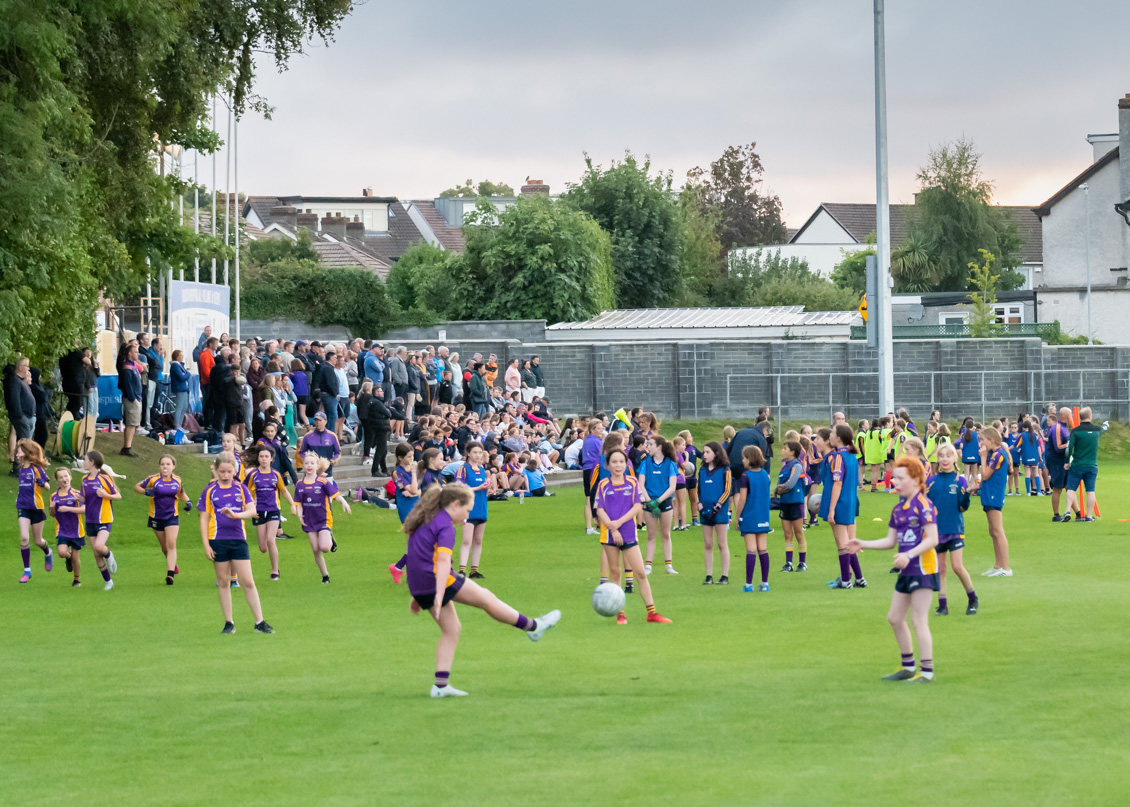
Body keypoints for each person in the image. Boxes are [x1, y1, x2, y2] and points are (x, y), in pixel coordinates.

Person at [404, 483, 560, 698]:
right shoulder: (445, 526)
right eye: (467, 510)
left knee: (452, 629)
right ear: (455, 504)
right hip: (436, 580)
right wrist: (438, 594)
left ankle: (440, 686)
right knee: (487, 599)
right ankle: (534, 627)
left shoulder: (426, 520)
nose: (467, 517)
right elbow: (441, 562)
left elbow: (414, 557)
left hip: (422, 583)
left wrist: (417, 595)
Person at [847, 456, 938, 683]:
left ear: (916, 480)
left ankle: (926, 672)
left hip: (923, 569)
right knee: (895, 618)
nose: (895, 482)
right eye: (894, 478)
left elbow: (933, 539)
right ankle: (908, 667)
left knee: (919, 620)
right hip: (907, 569)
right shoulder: (898, 509)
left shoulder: (924, 505)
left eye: (900, 478)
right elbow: (890, 541)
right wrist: (863, 543)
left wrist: (909, 554)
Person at [594, 448, 672, 625]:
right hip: (609, 535)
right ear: (608, 465)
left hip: (628, 533)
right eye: (614, 462)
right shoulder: (603, 485)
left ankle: (652, 613)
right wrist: (613, 529)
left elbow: (637, 506)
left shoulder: (632, 482)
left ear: (626, 463)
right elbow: (600, 509)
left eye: (621, 461)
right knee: (615, 573)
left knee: (640, 574)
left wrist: (619, 523)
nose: (618, 465)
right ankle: (620, 614)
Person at [197, 452, 273, 634]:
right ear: (216, 471)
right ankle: (229, 623)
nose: (225, 475)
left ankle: (259, 622)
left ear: (235, 471)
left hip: (238, 540)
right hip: (217, 540)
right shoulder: (210, 491)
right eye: (222, 471)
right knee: (223, 582)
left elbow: (252, 511)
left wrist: (236, 515)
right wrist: (206, 545)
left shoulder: (241, 489)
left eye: (229, 471)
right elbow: (203, 518)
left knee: (247, 580)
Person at [926, 443, 978, 616]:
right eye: (941, 456)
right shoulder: (931, 481)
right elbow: (925, 506)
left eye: (948, 455)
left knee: (957, 566)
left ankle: (972, 598)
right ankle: (942, 605)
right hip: (936, 532)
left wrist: (966, 495)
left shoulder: (960, 481)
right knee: (940, 568)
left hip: (954, 530)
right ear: (938, 459)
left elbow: (962, 508)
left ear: (955, 458)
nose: (944, 459)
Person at [293, 453, 351, 584]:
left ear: (317, 465)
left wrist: (343, 502)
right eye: (306, 463)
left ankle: (329, 536)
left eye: (312, 463)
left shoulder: (323, 481)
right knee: (315, 549)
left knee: (324, 547)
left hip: (323, 519)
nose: (309, 465)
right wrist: (299, 515)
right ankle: (325, 576)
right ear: (303, 465)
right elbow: (298, 503)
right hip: (309, 520)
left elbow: (335, 494)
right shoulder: (300, 484)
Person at [135, 454, 191, 585]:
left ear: (173, 466)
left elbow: (181, 493)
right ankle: (173, 563)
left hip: (172, 516)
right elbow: (137, 487)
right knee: (164, 547)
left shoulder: (177, 480)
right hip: (156, 516)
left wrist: (188, 502)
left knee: (171, 543)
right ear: (159, 466)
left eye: (168, 464)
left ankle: (170, 574)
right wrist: (146, 492)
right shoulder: (153, 479)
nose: (165, 466)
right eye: (162, 464)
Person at [244, 444, 294, 581]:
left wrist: (292, 505)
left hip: (273, 510)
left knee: (271, 540)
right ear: (258, 458)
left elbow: (283, 491)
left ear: (272, 459)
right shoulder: (253, 475)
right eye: (261, 456)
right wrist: (246, 507)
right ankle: (272, 566)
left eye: (267, 456)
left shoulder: (276, 474)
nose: (264, 459)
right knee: (262, 547)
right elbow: (244, 491)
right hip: (258, 511)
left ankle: (275, 571)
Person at [825, 425, 865, 589]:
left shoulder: (839, 457)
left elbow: (838, 483)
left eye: (833, 433)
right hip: (850, 502)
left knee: (843, 544)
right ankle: (860, 578)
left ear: (839, 438)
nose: (830, 436)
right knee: (848, 542)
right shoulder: (852, 457)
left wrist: (831, 509)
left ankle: (846, 580)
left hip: (841, 503)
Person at [637, 435, 679, 576]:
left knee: (666, 534)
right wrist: (650, 502)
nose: (647, 447)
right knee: (651, 535)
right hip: (650, 503)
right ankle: (648, 566)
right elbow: (641, 484)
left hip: (664, 502)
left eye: (650, 444)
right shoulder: (646, 463)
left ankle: (669, 565)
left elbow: (672, 487)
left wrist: (658, 501)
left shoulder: (670, 464)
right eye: (647, 444)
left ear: (659, 446)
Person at [733, 445, 772, 592]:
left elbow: (742, 498)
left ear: (749, 459)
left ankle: (748, 584)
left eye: (744, 457)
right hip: (763, 515)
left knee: (751, 549)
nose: (742, 460)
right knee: (763, 548)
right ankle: (765, 583)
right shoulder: (765, 475)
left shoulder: (745, 476)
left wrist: (737, 516)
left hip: (749, 515)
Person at [81, 450, 120, 590]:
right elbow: (84, 498)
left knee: (99, 546)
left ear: (92, 462)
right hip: (90, 519)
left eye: (85, 459)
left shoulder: (104, 478)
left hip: (104, 518)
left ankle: (109, 555)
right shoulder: (84, 479)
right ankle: (108, 581)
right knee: (96, 554)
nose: (83, 462)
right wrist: (76, 498)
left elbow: (117, 495)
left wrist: (105, 494)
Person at [15, 438, 53, 583]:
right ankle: (27, 570)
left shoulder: (36, 469)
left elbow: (48, 486)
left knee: (38, 541)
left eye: (19, 450)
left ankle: (48, 551)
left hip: (37, 507)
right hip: (22, 507)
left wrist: (43, 483)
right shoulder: (20, 469)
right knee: (24, 538)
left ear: (27, 452)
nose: (17, 453)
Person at [977, 426, 1012, 577]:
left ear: (991, 440)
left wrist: (983, 458)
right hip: (989, 493)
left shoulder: (998, 455)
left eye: (983, 440)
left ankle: (1006, 568)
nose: (981, 443)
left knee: (998, 531)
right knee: (993, 532)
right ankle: (998, 566)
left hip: (994, 495)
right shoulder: (995, 454)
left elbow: (985, 475)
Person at [1064, 407, 1108, 523]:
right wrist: (1105, 425)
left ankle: (1067, 511)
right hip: (1091, 465)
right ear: (1090, 416)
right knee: (1090, 491)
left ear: (1079, 417)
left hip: (1077, 465)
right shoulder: (1096, 430)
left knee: (1071, 488)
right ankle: (1089, 516)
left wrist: (1067, 461)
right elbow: (1103, 429)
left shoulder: (1075, 431)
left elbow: (1069, 447)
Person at [697, 441, 732, 586]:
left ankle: (724, 575)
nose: (704, 455)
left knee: (721, 543)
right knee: (708, 543)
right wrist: (699, 504)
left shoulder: (725, 469)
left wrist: (718, 506)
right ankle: (708, 575)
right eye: (704, 452)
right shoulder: (702, 470)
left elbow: (727, 490)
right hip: (705, 510)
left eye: (707, 452)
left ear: (716, 453)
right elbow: (699, 489)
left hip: (720, 510)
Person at [456, 441, 492, 578]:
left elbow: (482, 487)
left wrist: (488, 489)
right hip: (468, 509)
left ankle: (474, 570)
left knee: (478, 540)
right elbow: (459, 489)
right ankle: (462, 569)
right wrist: (478, 488)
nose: (478, 455)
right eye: (475, 452)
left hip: (482, 507)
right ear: (468, 453)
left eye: (480, 452)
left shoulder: (482, 469)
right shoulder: (463, 469)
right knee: (467, 539)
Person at [775, 440, 807, 572]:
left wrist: (779, 488)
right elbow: (780, 484)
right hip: (785, 503)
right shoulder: (785, 466)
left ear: (792, 452)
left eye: (785, 448)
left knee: (798, 533)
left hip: (795, 502)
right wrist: (780, 488)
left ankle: (802, 563)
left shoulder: (797, 465)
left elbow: (790, 484)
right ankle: (788, 563)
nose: (782, 450)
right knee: (787, 533)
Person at [50, 467, 84, 586]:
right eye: (61, 477)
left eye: (66, 476)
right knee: (61, 552)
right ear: (57, 480)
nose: (64, 479)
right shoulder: (54, 496)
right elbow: (52, 514)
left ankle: (77, 580)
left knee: (76, 557)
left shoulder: (77, 494)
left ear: (70, 477)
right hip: (62, 530)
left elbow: (85, 509)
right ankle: (67, 557)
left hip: (76, 530)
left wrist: (70, 508)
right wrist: (51, 507)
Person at [1046, 406, 1072, 521]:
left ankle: (1078, 512)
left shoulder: (1065, 428)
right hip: (1056, 461)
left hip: (1064, 461)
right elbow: (1058, 447)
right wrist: (1071, 445)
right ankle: (1056, 515)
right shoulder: (1057, 427)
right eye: (1070, 414)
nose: (1072, 417)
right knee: (1058, 488)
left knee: (1068, 487)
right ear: (1065, 416)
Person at [117, 340, 142, 456]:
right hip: (132, 399)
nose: (138, 354)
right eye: (135, 352)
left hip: (136, 397)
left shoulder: (133, 366)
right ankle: (127, 447)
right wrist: (133, 398)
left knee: (133, 423)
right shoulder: (127, 367)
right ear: (130, 354)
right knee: (131, 424)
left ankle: (128, 446)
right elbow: (128, 385)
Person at [581, 419, 605, 535]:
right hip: (593, 469)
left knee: (589, 498)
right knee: (594, 497)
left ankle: (590, 526)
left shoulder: (586, 441)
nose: (601, 430)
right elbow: (603, 454)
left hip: (587, 469)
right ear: (593, 429)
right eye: (599, 428)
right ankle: (595, 524)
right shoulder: (596, 441)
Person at [169, 350, 191, 430]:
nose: (182, 357)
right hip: (179, 388)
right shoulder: (175, 365)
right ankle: (177, 424)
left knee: (184, 406)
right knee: (179, 406)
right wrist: (187, 373)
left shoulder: (179, 365)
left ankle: (180, 424)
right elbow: (182, 377)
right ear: (176, 356)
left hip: (183, 388)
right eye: (180, 355)